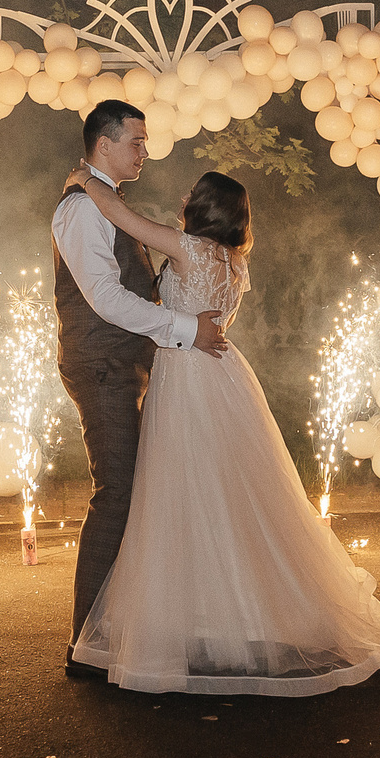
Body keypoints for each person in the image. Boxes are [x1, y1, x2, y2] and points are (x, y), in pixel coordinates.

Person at [65, 165, 380, 694]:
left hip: (188, 375)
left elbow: (121, 215)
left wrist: (85, 180)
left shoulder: (189, 248)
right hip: (223, 373)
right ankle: (228, 612)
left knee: (186, 490)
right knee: (231, 491)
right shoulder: (233, 260)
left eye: (193, 192)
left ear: (206, 207)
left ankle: (192, 618)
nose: (184, 195)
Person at [49, 100, 229, 672]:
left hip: (123, 361)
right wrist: (186, 330)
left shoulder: (103, 201)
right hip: (101, 363)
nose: (145, 153)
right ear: (104, 144)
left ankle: (121, 630)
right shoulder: (81, 209)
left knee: (133, 492)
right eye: (137, 142)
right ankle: (86, 645)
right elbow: (106, 298)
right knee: (117, 494)